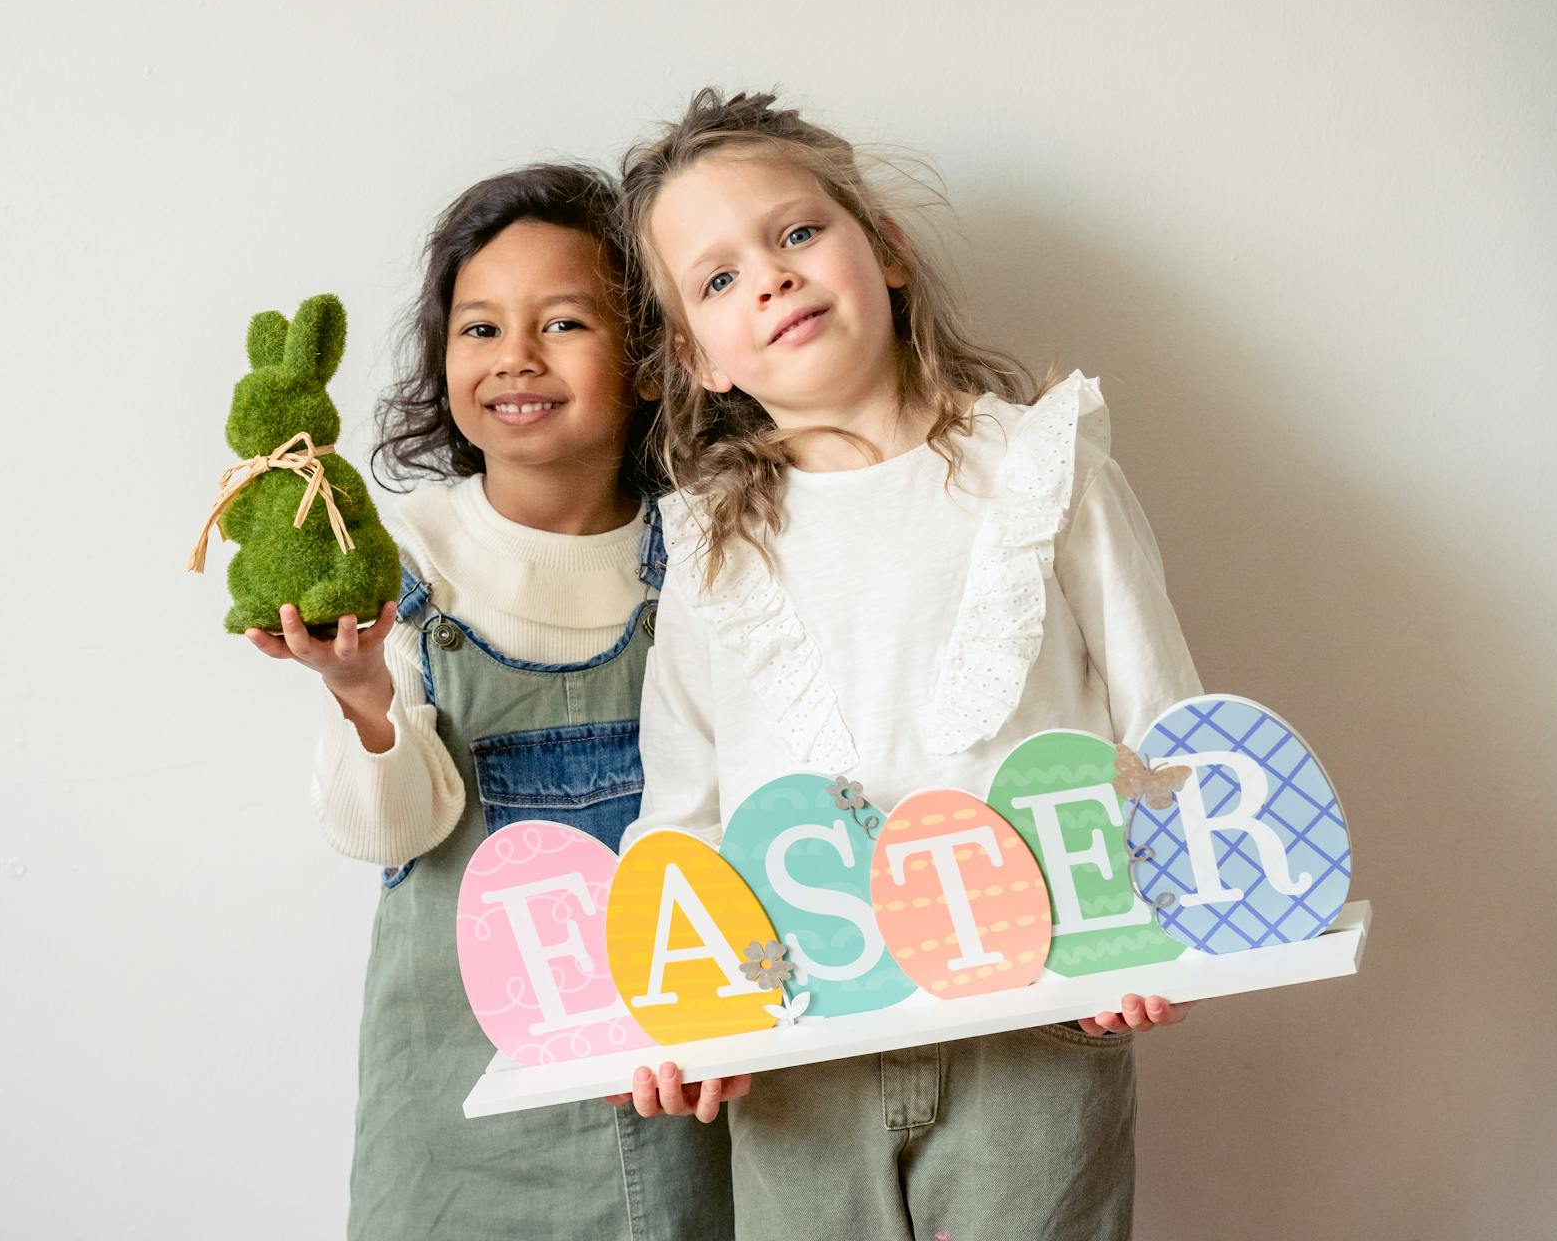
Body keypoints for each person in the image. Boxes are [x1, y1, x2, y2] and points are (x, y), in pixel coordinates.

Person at [615, 89, 1198, 1240]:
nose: (771, 278)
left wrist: (1156, 922)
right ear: (697, 356)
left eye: (794, 234)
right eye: (719, 278)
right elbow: (682, 808)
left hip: (1039, 1025)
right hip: (796, 1055)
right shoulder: (709, 549)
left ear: (882, 249)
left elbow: (1165, 725)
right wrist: (676, 1012)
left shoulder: (1042, 468)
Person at [249, 163, 733, 1240]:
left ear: (652, 361)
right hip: (462, 1099)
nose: (516, 356)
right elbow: (393, 829)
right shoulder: (401, 552)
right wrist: (359, 690)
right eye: (479, 328)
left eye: (562, 321)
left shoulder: (708, 550)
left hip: (679, 1072)